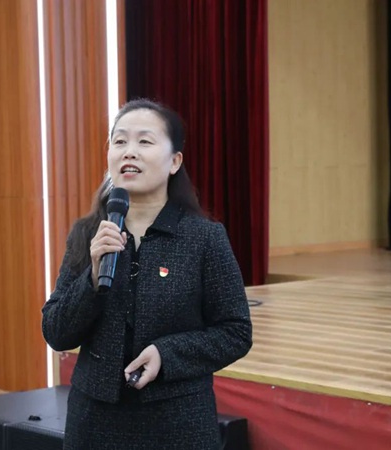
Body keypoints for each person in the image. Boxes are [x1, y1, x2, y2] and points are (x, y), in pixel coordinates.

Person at [42, 99, 252, 449]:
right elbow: (56, 332)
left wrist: (166, 355)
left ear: (175, 161)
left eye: (144, 141)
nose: (130, 151)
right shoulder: (88, 234)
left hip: (178, 423)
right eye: (120, 141)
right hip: (95, 424)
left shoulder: (204, 238)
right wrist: (91, 279)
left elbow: (235, 332)